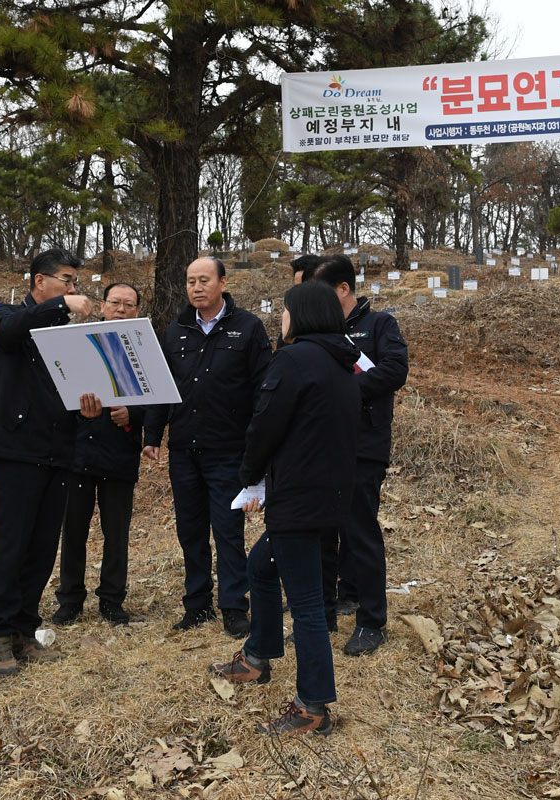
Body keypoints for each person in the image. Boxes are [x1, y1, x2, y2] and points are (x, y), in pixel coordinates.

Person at [210, 280, 360, 737]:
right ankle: (259, 656)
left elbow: (265, 424)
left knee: (309, 606)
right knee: (261, 565)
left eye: (286, 311)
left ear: (304, 315)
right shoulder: (344, 363)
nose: (281, 318)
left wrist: (248, 477)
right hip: (330, 496)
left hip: (297, 498)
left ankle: (313, 706)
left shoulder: (294, 359)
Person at [0, 248, 102, 676]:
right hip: (16, 449)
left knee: (43, 545)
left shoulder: (67, 330)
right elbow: (11, 331)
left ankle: (24, 629)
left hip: (60, 449)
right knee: (11, 543)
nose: (73, 289)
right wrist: (59, 305)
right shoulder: (8, 315)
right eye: (66, 280)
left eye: (74, 284)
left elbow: (76, 387)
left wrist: (88, 409)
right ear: (39, 282)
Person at [144, 257, 272, 638]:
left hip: (228, 450)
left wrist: (258, 449)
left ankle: (234, 607)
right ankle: (196, 604)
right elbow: (161, 391)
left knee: (228, 530)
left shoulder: (247, 328)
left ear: (223, 283)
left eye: (204, 280)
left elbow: (262, 391)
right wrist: (153, 436)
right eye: (190, 281)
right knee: (190, 530)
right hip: (184, 449)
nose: (196, 288)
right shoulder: (176, 331)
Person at [310, 255, 409, 656]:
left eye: (322, 294)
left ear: (343, 289)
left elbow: (394, 371)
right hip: (321, 447)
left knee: (360, 532)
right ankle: (325, 613)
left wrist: (346, 389)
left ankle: (371, 621)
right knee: (321, 533)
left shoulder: (380, 324)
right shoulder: (320, 331)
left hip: (363, 445)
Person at [52, 282, 147, 627]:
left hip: (120, 454)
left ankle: (112, 599)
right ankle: (70, 599)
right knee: (73, 529)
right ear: (103, 306)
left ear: (137, 310)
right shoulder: (77, 341)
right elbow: (60, 391)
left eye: (129, 304)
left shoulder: (143, 347)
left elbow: (158, 398)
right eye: (115, 302)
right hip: (77, 451)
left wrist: (132, 416)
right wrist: (81, 411)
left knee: (116, 532)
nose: (122, 309)